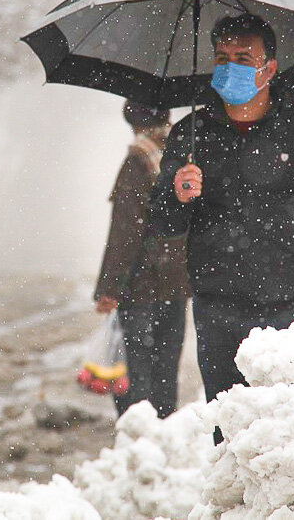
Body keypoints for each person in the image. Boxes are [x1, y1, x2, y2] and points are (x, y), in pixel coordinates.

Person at [148, 13, 294, 443]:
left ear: (269, 68)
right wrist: (178, 194)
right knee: (231, 438)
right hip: (217, 310)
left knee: (292, 437)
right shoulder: (191, 135)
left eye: (244, 58)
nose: (231, 68)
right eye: (222, 58)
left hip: (291, 309)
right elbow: (162, 224)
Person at [94, 101, 192, 419]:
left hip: (141, 285)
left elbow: (126, 231)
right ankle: (166, 433)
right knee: (166, 368)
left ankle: (139, 438)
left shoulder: (138, 159)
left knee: (137, 373)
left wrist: (109, 288)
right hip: (177, 281)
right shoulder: (183, 156)